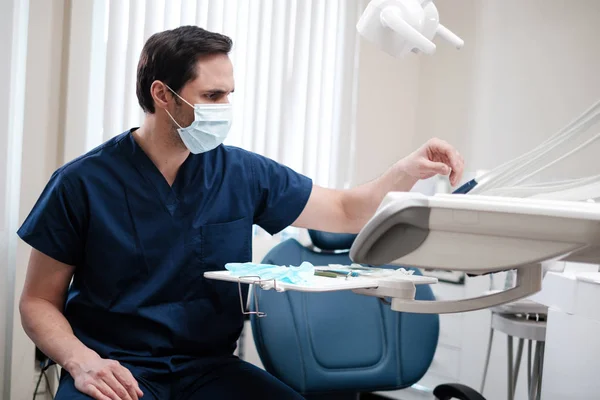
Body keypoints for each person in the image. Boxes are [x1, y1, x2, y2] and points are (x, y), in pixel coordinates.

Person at [17, 26, 464, 400]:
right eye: (211, 95)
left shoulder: (242, 173)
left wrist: (406, 170)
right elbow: (37, 300)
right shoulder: (82, 183)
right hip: (116, 369)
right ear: (163, 95)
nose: (224, 109)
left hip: (209, 372)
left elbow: (347, 211)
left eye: (228, 95)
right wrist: (82, 362)